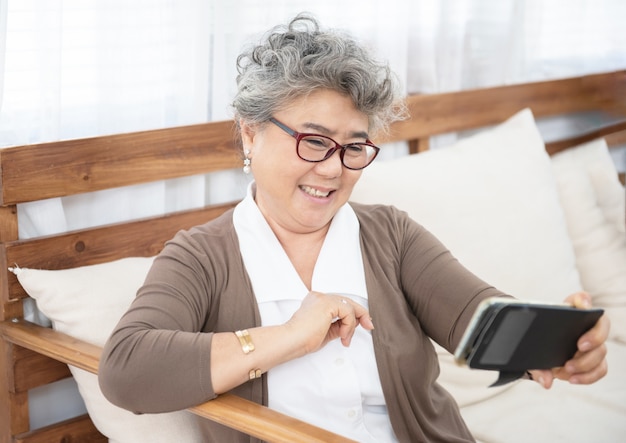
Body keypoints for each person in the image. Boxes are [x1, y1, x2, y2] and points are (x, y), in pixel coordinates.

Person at [99, 13, 609, 443]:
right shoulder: (202, 257)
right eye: (314, 141)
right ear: (249, 133)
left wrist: (558, 344)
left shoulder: (390, 235)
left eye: (354, 148)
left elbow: (478, 317)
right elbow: (126, 371)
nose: (333, 169)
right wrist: (290, 337)